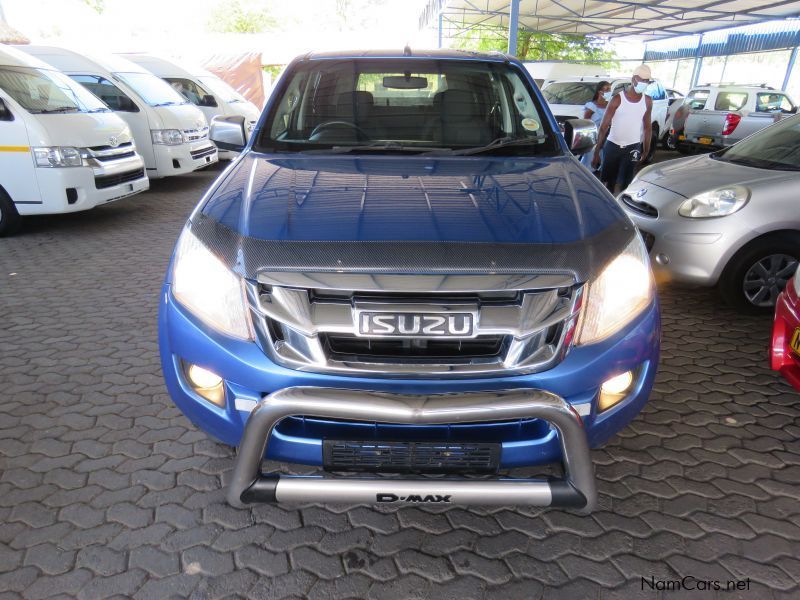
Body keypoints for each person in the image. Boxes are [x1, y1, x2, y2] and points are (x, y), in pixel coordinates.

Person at [592, 65, 653, 194]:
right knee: (608, 182)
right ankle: (609, 209)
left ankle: (623, 210)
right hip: (613, 146)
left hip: (633, 147)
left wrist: (646, 150)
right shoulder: (617, 99)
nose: (643, 83)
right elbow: (603, 127)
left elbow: (648, 128)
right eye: (640, 80)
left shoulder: (647, 101)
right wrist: (597, 152)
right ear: (633, 79)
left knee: (627, 183)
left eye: (646, 81)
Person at [580, 80, 611, 172]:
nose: (609, 92)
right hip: (593, 138)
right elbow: (586, 124)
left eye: (609, 89)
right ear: (599, 91)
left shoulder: (610, 105)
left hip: (606, 137)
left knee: (604, 164)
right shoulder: (591, 106)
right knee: (588, 165)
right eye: (606, 89)